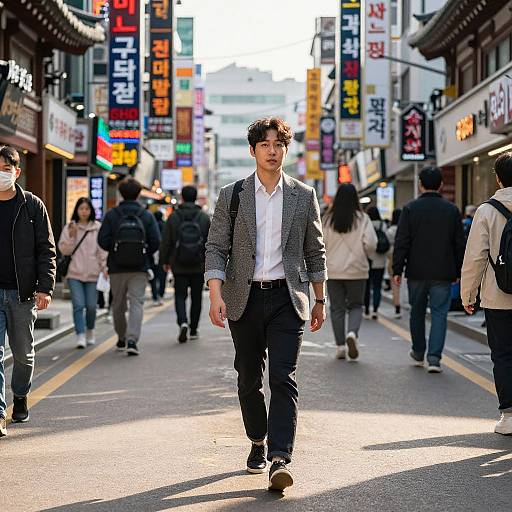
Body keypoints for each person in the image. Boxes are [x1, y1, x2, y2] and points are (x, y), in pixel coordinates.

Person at [205, 117, 326, 492]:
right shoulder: (234, 194)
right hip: (245, 297)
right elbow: (217, 247)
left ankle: (280, 458)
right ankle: (257, 439)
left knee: (283, 377)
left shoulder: (303, 195)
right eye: (265, 145)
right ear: (253, 150)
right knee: (248, 379)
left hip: (288, 297)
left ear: (286, 150)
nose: (272, 151)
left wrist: (321, 298)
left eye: (278, 145)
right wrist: (215, 294)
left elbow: (315, 250)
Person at [0, 146, 56, 438]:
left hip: (22, 294)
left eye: (6, 170)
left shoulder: (32, 205)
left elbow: (47, 250)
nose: (1, 175)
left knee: (23, 354)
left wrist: (45, 288)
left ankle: (20, 395)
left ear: (16, 172)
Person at [393, 166, 465, 373]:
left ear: (420, 184)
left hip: (416, 272)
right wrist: (459, 271)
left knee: (416, 312)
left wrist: (397, 269)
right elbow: (459, 244)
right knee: (440, 314)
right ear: (441, 185)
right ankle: (434, 359)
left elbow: (402, 242)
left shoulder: (410, 209)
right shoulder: (452, 210)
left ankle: (418, 351)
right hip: (443, 272)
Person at [461, 152, 512, 435]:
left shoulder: (487, 210)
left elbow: (475, 258)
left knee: (503, 355)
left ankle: (509, 416)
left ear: (498, 178)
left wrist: (468, 294)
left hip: (497, 296)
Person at [98, 178, 160, 356]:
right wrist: (144, 252)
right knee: (136, 303)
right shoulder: (146, 215)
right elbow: (156, 241)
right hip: (139, 267)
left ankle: (121, 337)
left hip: (117, 267)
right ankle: (132, 339)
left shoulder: (112, 215)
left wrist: (115, 250)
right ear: (139, 193)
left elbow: (102, 240)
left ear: (121, 193)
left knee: (118, 304)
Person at [322, 184, 377, 360]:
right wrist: (366, 255)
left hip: (333, 271)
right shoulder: (363, 219)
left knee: (337, 309)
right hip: (357, 270)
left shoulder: (328, 219)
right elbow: (371, 244)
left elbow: (320, 243)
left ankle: (340, 346)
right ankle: (352, 333)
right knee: (356, 305)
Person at [159, 186, 211, 342]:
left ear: (182, 198)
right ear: (195, 198)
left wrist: (165, 261)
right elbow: (210, 243)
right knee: (196, 297)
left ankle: (183, 322)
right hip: (198, 264)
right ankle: (194, 329)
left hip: (178, 263)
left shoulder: (174, 217)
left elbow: (166, 241)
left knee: (180, 296)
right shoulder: (203, 217)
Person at [58, 198, 107, 349]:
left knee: (92, 306)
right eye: (81, 209)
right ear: (76, 210)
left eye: (87, 209)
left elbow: (102, 250)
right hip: (74, 274)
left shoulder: (98, 227)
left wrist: (105, 267)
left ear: (91, 210)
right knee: (78, 305)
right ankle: (80, 334)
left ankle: (90, 330)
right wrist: (72, 236)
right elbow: (63, 250)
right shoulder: (70, 227)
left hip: (93, 274)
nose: (84, 212)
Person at [365, 206, 388, 319]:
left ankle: (366, 310)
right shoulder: (383, 225)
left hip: (367, 259)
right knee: (377, 286)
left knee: (367, 286)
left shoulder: (366, 223)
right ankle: (375, 310)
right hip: (380, 260)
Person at [386, 209, 402, 319]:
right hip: (405, 257)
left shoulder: (390, 231)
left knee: (394, 283)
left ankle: (397, 306)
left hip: (392, 258)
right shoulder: (404, 229)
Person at [150, 210, 167, 306]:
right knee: (162, 277)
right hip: (163, 255)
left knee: (153, 277)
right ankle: (161, 294)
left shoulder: (152, 225)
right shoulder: (165, 225)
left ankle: (154, 296)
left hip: (153, 254)